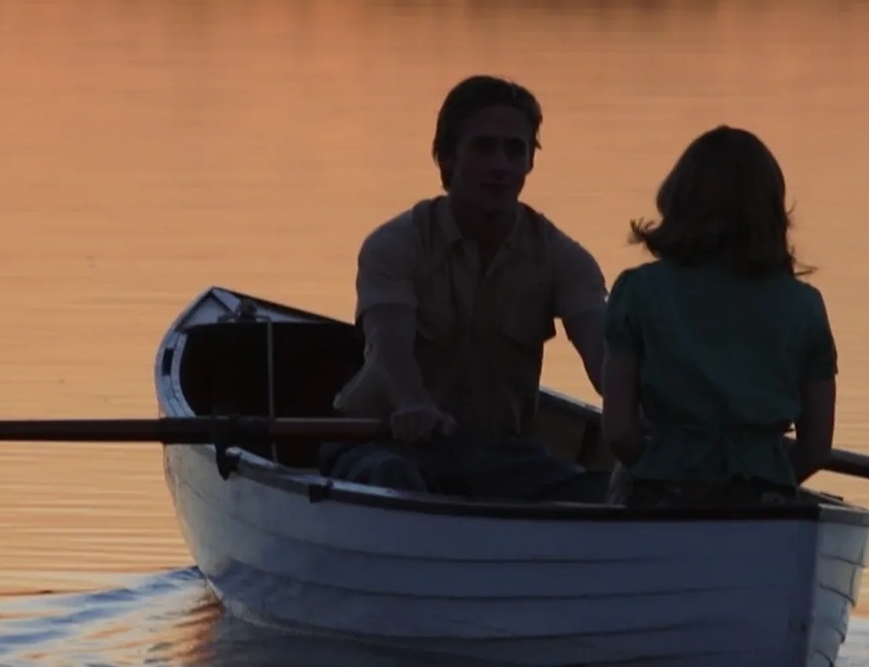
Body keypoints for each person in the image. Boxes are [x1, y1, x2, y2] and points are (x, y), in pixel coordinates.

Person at [327, 76, 613, 502]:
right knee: (391, 478)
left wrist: (641, 416)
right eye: (483, 147)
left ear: (529, 164)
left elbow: (603, 355)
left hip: (500, 456)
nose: (500, 165)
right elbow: (390, 346)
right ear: (446, 158)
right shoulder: (395, 244)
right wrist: (413, 404)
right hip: (381, 441)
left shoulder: (564, 258)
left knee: (608, 492)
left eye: (515, 150)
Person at [601, 127, 837, 508]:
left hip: (663, 487)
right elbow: (816, 448)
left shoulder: (638, 291)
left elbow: (618, 433)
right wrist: (771, 480)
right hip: (762, 490)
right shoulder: (805, 306)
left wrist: (654, 469)